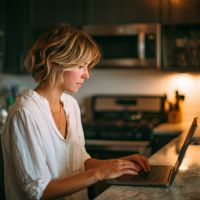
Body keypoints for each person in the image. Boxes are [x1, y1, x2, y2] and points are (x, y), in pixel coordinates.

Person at [1, 23, 150, 200]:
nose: (86, 75)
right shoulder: (25, 113)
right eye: (81, 66)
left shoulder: (70, 104)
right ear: (56, 62)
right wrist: (100, 174)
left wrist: (117, 165)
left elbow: (79, 161)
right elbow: (38, 191)